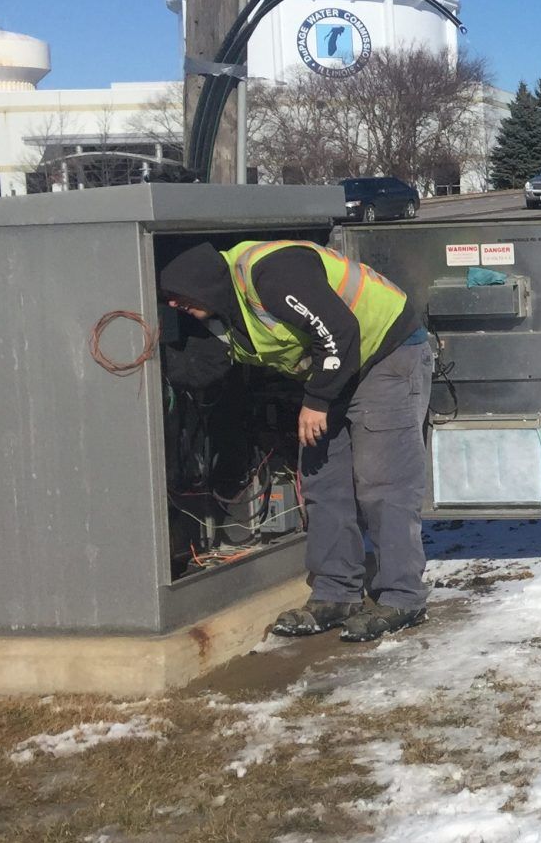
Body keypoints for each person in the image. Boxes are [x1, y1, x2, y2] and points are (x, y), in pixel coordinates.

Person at [158, 239, 434, 641]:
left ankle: (402, 598)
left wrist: (318, 400)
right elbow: (206, 367)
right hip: (336, 370)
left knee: (382, 483)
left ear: (202, 285)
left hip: (386, 355)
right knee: (324, 481)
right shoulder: (223, 313)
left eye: (178, 298)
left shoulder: (269, 273)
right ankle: (336, 594)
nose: (174, 306)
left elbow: (340, 330)